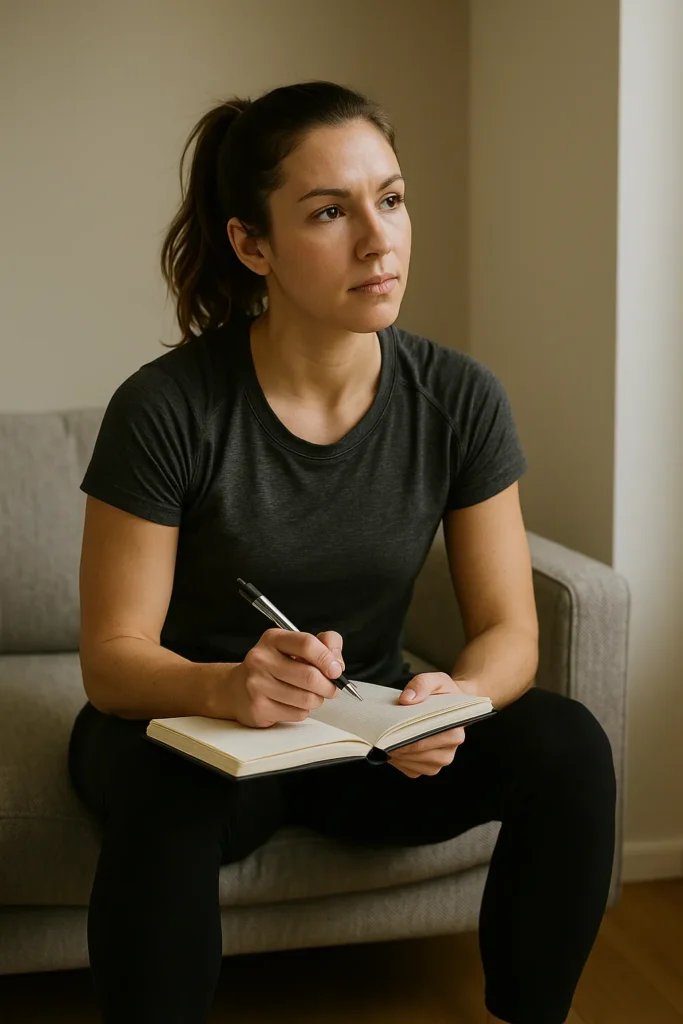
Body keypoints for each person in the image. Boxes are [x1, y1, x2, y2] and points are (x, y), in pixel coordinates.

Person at [67, 80, 617, 1024]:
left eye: (390, 199)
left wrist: (451, 701)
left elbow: (506, 630)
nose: (379, 238)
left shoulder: (460, 398)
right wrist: (225, 688)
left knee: (567, 745)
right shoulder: (166, 408)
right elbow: (113, 662)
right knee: (164, 791)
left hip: (363, 733)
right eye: (330, 211)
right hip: (193, 732)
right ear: (253, 244)